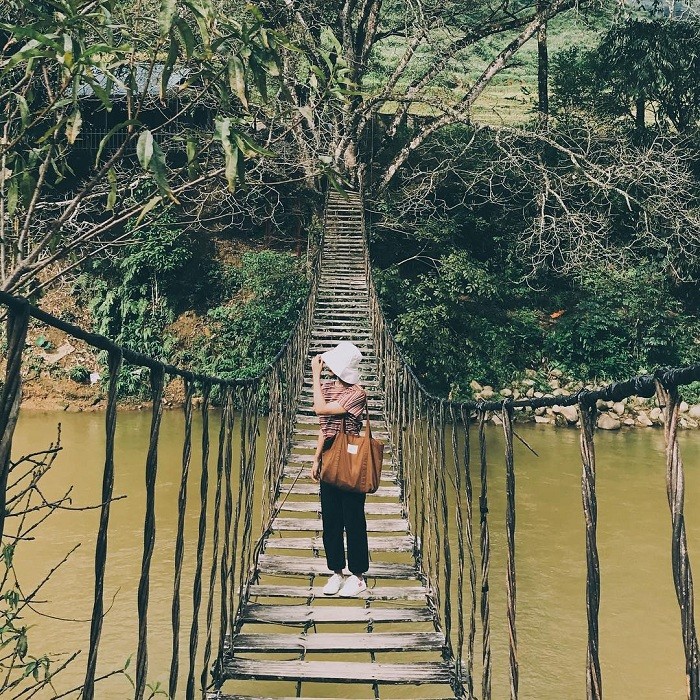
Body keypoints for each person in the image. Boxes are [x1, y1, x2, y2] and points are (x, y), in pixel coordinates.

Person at [310, 340, 369, 597]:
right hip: (329, 458)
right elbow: (325, 427)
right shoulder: (327, 387)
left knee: (353, 518)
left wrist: (314, 375)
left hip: (351, 460)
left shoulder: (358, 393)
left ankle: (357, 576)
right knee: (331, 520)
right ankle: (336, 572)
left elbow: (320, 408)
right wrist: (315, 458)